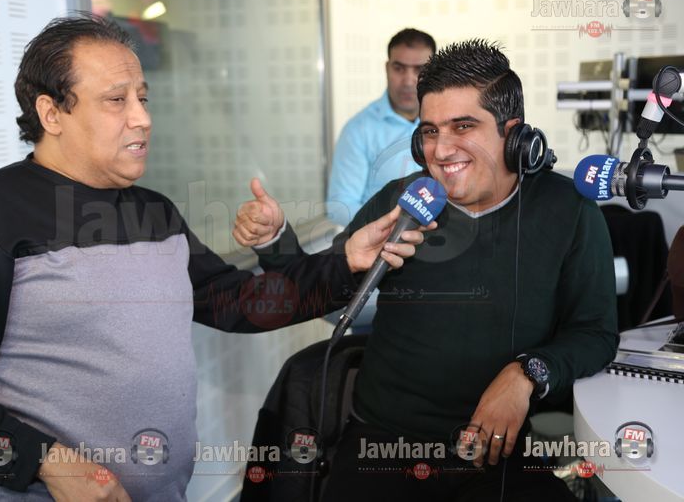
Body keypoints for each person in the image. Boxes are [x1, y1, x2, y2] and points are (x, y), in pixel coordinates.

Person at [0, 14, 430, 502]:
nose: (142, 118)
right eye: (116, 100)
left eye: (143, 99)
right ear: (51, 112)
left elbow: (239, 302)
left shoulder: (154, 212)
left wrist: (345, 261)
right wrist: (46, 464)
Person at [233, 39, 619, 501]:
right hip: (382, 445)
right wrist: (275, 241)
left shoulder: (569, 210)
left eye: (463, 126)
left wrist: (526, 374)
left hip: (496, 451)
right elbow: (320, 287)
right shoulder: (404, 201)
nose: (441, 150)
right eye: (430, 131)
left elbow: (596, 332)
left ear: (513, 134)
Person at [327, 28, 435, 226]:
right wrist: (392, 225)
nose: (408, 81)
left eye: (419, 70)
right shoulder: (358, 131)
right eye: (399, 68)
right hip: (383, 242)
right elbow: (339, 208)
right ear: (387, 69)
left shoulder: (449, 124)